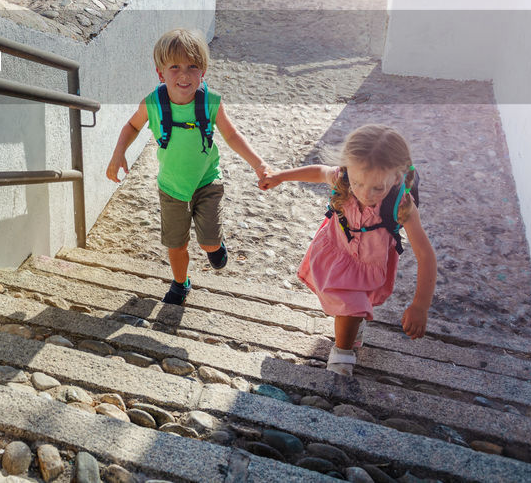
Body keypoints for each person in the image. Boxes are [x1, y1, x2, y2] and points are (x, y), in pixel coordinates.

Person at [106, 29, 274, 305]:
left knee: (208, 244)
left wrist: (259, 164)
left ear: (203, 71)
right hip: (171, 188)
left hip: (207, 182)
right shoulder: (153, 104)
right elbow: (132, 126)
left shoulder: (210, 102)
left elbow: (232, 136)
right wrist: (118, 153)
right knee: (176, 245)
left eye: (192, 66)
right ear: (161, 73)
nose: (183, 75)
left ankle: (214, 245)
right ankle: (181, 283)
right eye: (175, 67)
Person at [262, 124, 436, 376]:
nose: (366, 194)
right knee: (350, 306)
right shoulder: (342, 178)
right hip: (338, 252)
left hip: (368, 263)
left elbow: (426, 255)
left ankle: (343, 353)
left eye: (378, 188)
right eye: (358, 183)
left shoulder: (402, 205)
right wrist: (280, 176)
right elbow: (319, 172)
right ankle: (346, 345)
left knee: (351, 306)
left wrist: (420, 305)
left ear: (396, 178)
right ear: (346, 169)